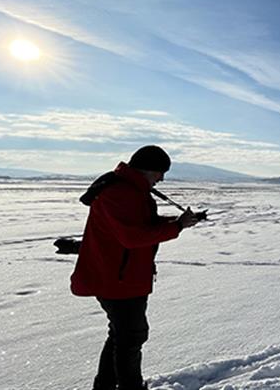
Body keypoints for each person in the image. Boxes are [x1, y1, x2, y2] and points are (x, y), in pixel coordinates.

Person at [70, 145, 199, 390]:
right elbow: (132, 237)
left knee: (121, 336)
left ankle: (106, 386)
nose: (162, 179)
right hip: (118, 281)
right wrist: (177, 227)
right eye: (160, 173)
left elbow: (141, 225)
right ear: (146, 169)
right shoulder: (121, 193)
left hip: (123, 277)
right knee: (131, 337)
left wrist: (177, 222)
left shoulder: (131, 191)